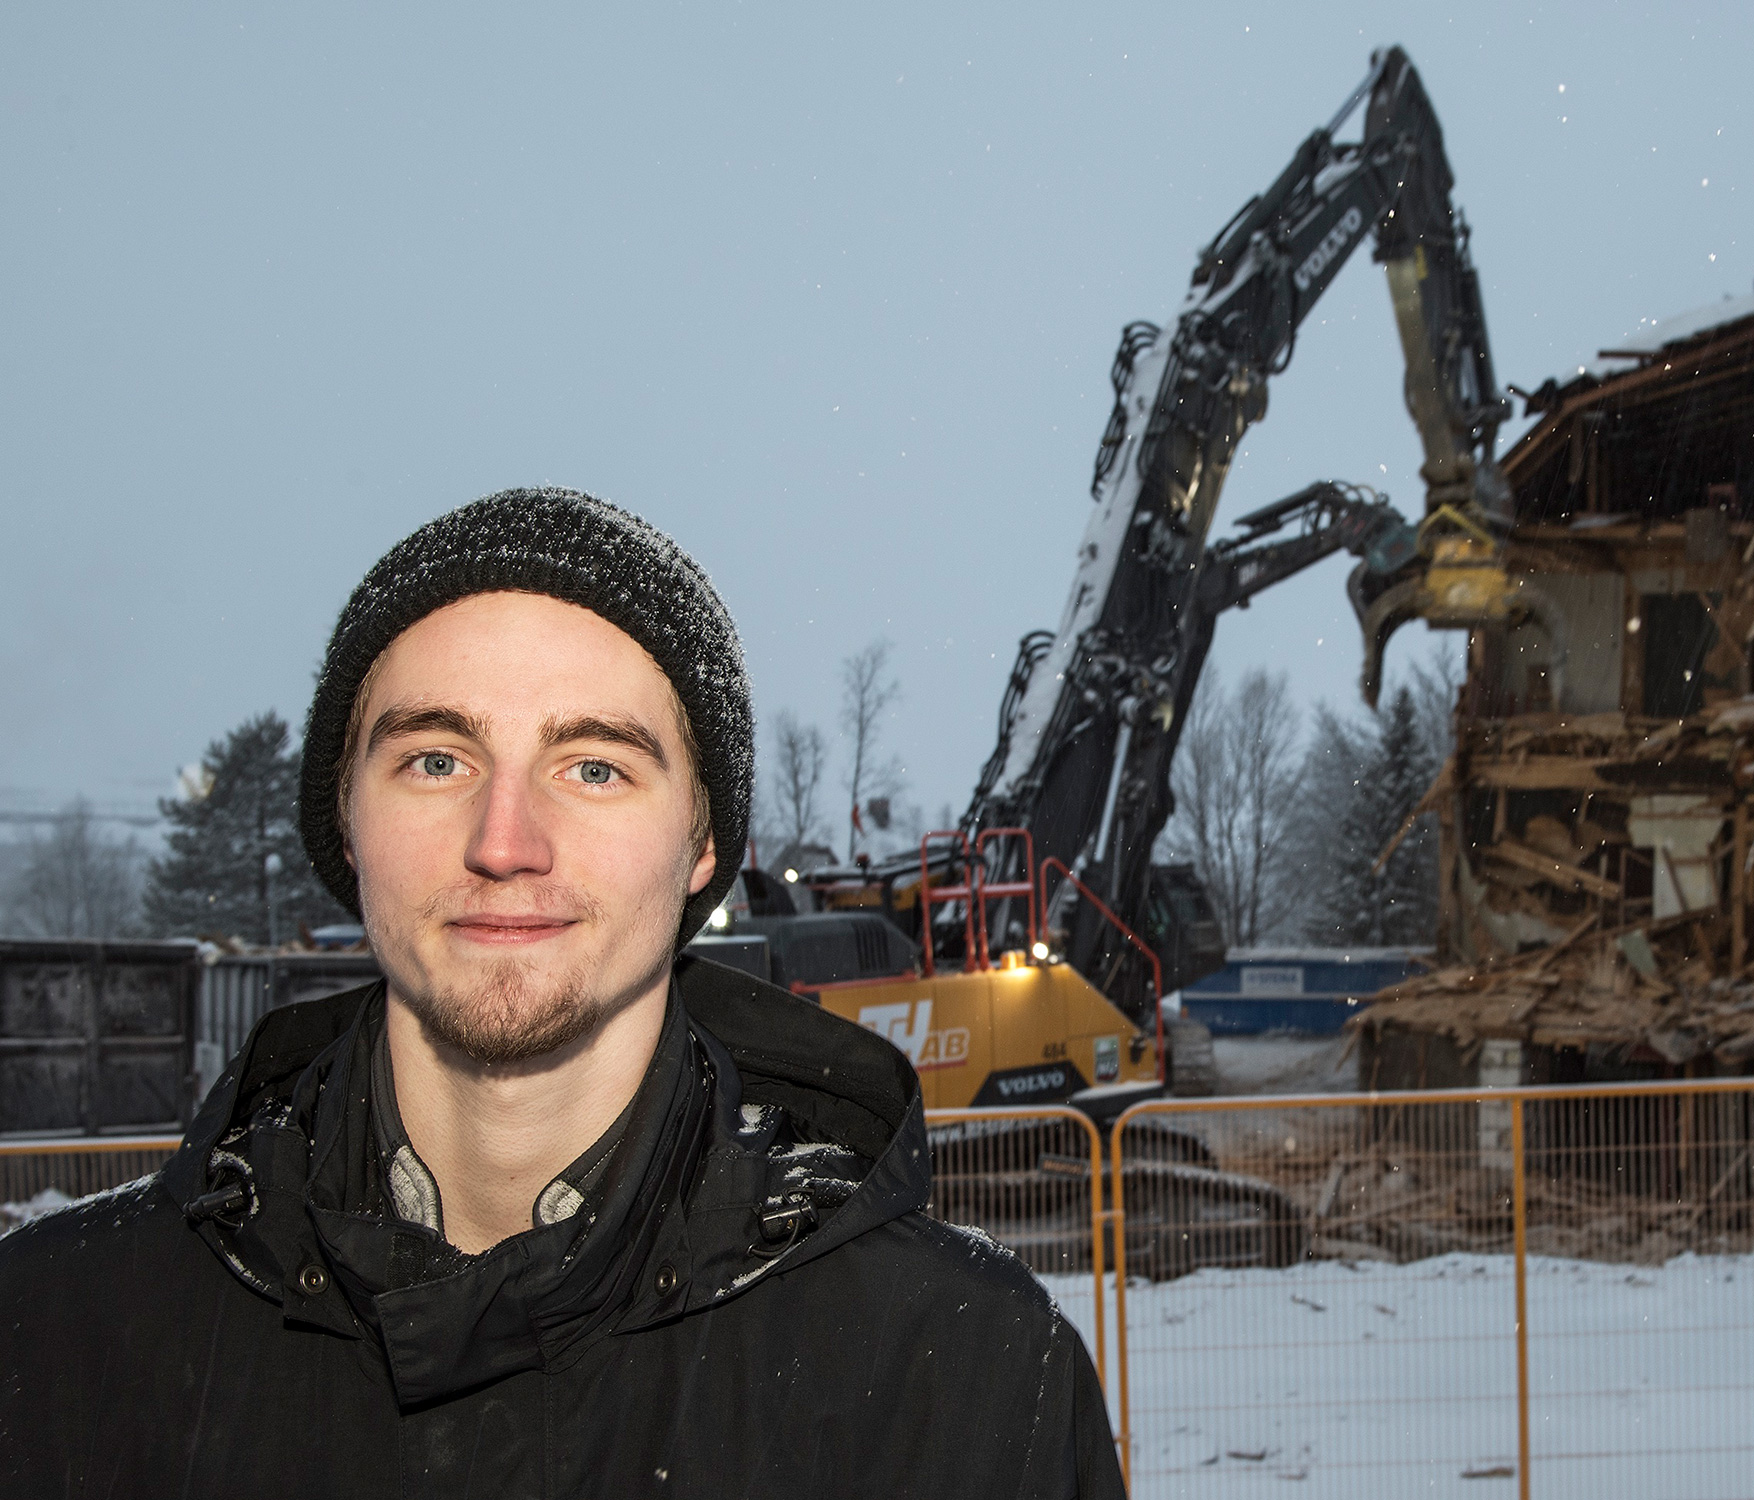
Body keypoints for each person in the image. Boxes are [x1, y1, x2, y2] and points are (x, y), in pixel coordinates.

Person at [0, 488, 1127, 1498]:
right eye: (435, 759)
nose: (505, 842)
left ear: (700, 846)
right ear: (346, 824)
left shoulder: (966, 1379)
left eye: (595, 767)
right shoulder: (53, 1342)